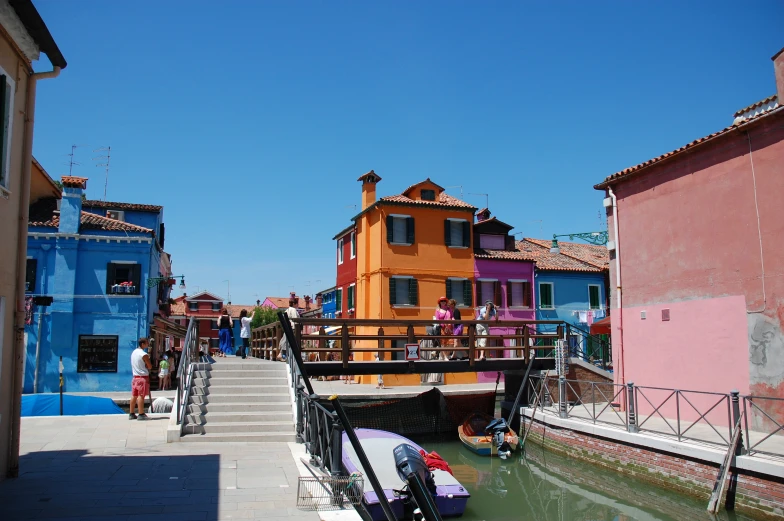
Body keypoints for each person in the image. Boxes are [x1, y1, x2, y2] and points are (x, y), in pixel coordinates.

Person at [130, 338, 152, 420]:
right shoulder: (144, 354)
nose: (148, 345)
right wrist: (147, 365)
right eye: (147, 343)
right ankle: (141, 413)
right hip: (142, 377)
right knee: (141, 396)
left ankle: (131, 413)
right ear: (142, 344)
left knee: (134, 395)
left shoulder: (134, 352)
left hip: (135, 377)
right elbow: (149, 366)